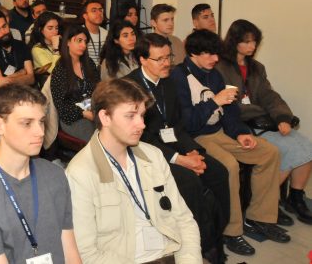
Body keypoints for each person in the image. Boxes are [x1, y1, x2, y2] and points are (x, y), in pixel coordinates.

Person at [171, 29, 288, 252]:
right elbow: (187, 124)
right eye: (209, 54)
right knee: (230, 165)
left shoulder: (214, 74)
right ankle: (231, 231)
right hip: (196, 137)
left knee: (269, 153)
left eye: (216, 54)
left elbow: (231, 111)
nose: (215, 59)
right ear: (194, 53)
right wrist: (214, 101)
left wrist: (241, 133)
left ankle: (259, 217)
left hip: (220, 132)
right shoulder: (178, 77)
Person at [66, 78, 201, 263]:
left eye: (142, 115)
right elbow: (87, 254)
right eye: (130, 116)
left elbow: (184, 220)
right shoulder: (80, 173)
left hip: (170, 252)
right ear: (105, 117)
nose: (142, 125)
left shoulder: (153, 156)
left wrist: (189, 260)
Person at [127, 34, 230, 262]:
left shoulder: (169, 81)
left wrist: (194, 151)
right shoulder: (130, 88)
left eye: (169, 57)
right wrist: (179, 159)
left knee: (218, 172)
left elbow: (177, 126)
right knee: (190, 181)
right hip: (143, 151)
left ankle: (216, 235)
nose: (167, 63)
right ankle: (201, 245)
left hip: (173, 144)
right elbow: (139, 139)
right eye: (160, 59)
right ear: (143, 60)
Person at [0, 84, 81, 264]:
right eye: (27, 123)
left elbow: (70, 252)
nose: (39, 132)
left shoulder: (55, 175)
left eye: (41, 121)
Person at [218, 19, 312, 224]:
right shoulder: (221, 66)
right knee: (286, 149)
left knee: (306, 145)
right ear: (235, 41)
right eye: (247, 41)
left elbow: (269, 96)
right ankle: (265, 204)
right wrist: (258, 112)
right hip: (243, 124)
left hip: (263, 120)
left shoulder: (256, 67)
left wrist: (282, 117)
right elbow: (229, 105)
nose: (252, 46)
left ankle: (295, 197)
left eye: (255, 42)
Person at [49, 24, 100, 142]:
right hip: (73, 117)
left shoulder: (89, 64)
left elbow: (99, 89)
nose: (83, 45)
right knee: (96, 136)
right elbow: (61, 107)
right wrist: (84, 114)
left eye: (85, 41)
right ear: (67, 42)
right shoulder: (60, 70)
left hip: (92, 109)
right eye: (79, 41)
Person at [0, 10, 35, 106]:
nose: (3, 32)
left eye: (4, 26)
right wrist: (22, 72)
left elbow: (31, 78)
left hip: (23, 93)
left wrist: (8, 80)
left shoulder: (21, 45)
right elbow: (0, 85)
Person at [82, 0, 107, 67]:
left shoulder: (107, 34)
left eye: (100, 10)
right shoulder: (79, 34)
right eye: (94, 11)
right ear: (85, 16)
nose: (99, 13)